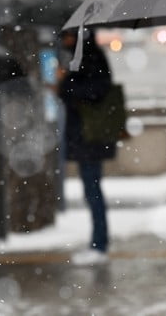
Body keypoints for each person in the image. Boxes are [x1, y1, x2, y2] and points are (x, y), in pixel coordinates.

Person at [58, 30, 115, 265]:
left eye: (68, 37)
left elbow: (95, 91)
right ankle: (98, 242)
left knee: (93, 190)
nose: (64, 41)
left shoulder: (89, 58)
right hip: (86, 136)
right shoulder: (84, 57)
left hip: (89, 136)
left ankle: (99, 243)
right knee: (91, 190)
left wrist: (65, 84)